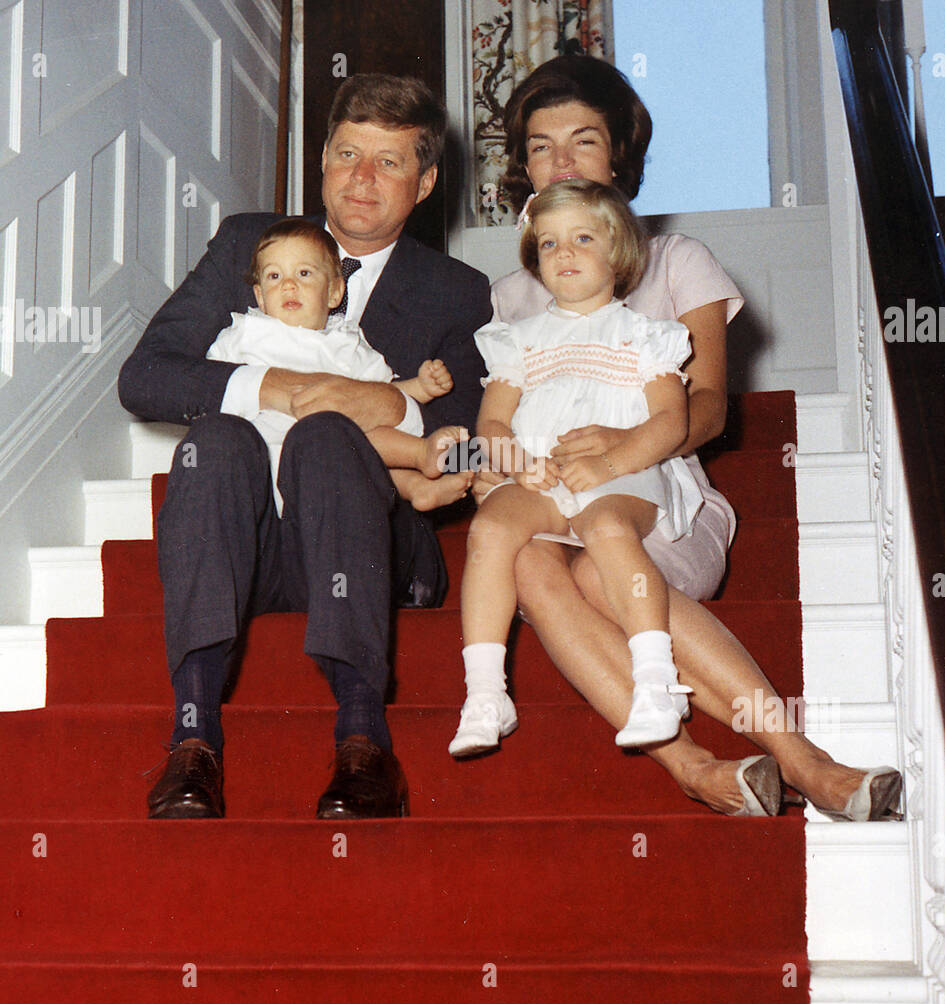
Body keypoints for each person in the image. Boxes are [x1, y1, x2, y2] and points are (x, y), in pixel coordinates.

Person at [480, 54, 902, 821]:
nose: (560, 162)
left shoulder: (677, 261)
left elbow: (710, 409)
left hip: (661, 498)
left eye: (583, 141)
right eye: (541, 146)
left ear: (618, 156)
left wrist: (625, 442)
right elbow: (502, 420)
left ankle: (801, 758)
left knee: (593, 571)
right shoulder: (509, 296)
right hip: (554, 505)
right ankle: (694, 766)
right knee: (532, 561)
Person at [118, 73, 493, 821]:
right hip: (247, 543)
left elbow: (463, 438)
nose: (360, 179)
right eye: (347, 154)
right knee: (217, 438)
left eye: (388, 163)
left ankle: (363, 742)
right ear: (320, 158)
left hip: (365, 540)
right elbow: (146, 377)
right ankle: (192, 742)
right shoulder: (247, 244)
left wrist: (384, 402)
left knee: (325, 436)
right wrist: (279, 386)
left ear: (423, 184)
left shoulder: (457, 288)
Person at [453, 180, 700, 757]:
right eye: (548, 244)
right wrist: (515, 458)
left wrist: (612, 461)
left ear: (618, 252)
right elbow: (490, 425)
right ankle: (487, 693)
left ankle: (656, 680)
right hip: (541, 473)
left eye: (582, 239)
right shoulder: (519, 340)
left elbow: (670, 422)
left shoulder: (645, 337)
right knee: (490, 529)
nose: (563, 254)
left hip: (621, 473)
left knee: (607, 530)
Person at [206, 216, 472, 515]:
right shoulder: (244, 333)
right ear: (259, 297)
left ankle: (419, 474)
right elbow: (211, 386)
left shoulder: (346, 343)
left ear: (335, 292)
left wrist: (420, 387)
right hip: (262, 456)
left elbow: (382, 395)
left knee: (366, 438)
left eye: (304, 273)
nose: (289, 285)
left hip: (333, 468)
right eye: (274, 276)